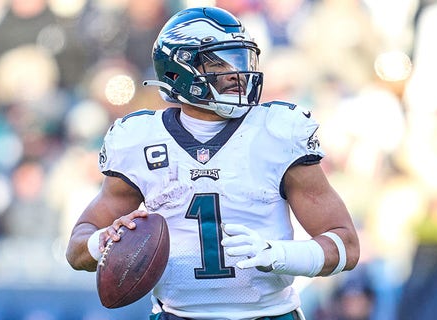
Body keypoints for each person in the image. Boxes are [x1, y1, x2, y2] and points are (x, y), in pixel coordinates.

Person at [66, 6, 360, 320]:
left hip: (269, 315)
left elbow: (346, 245)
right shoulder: (139, 138)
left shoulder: (277, 131)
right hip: (176, 315)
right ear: (178, 72)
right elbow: (77, 249)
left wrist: (279, 254)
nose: (237, 73)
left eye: (240, 59)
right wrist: (106, 241)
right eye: (219, 63)